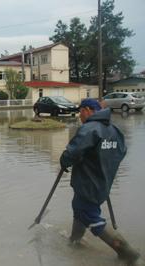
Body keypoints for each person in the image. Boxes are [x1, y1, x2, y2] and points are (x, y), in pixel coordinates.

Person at [59, 98, 140, 264]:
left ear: (87, 110)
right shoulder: (113, 129)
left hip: (88, 181)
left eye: (80, 111)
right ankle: (74, 241)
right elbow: (122, 151)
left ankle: (126, 251)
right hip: (103, 181)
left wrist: (64, 161)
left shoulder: (89, 129)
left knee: (88, 213)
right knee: (80, 209)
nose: (79, 116)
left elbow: (72, 153)